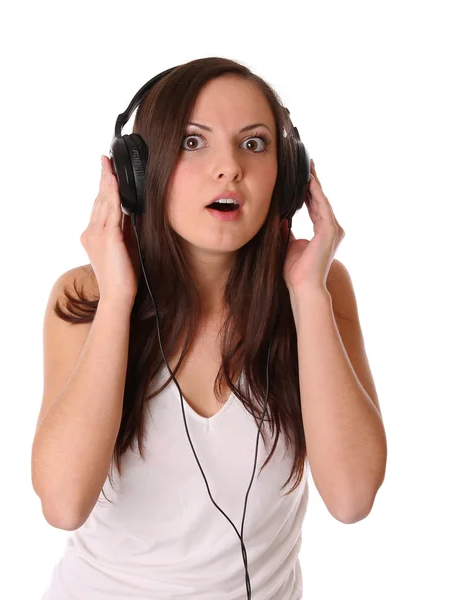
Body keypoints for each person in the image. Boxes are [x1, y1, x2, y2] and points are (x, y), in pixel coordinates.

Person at [32, 57, 387, 600]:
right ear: (137, 173)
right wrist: (120, 297)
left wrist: (308, 294)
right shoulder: (87, 295)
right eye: (194, 143)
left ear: (289, 176)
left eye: (254, 144)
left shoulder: (317, 288)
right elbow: (62, 504)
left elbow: (353, 497)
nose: (229, 169)